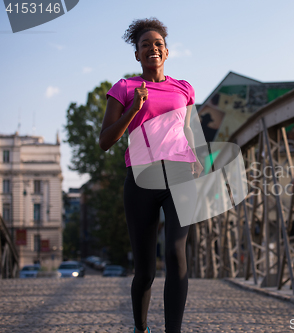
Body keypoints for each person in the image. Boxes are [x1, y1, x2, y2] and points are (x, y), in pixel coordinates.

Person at [99, 18, 203, 333]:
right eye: (145, 45)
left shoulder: (183, 88)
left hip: (179, 176)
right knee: (144, 270)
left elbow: (186, 128)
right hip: (141, 179)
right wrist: (133, 109)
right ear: (137, 55)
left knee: (175, 253)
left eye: (158, 44)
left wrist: (196, 156)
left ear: (167, 52)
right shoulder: (124, 88)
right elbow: (105, 141)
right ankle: (141, 328)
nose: (152, 49)